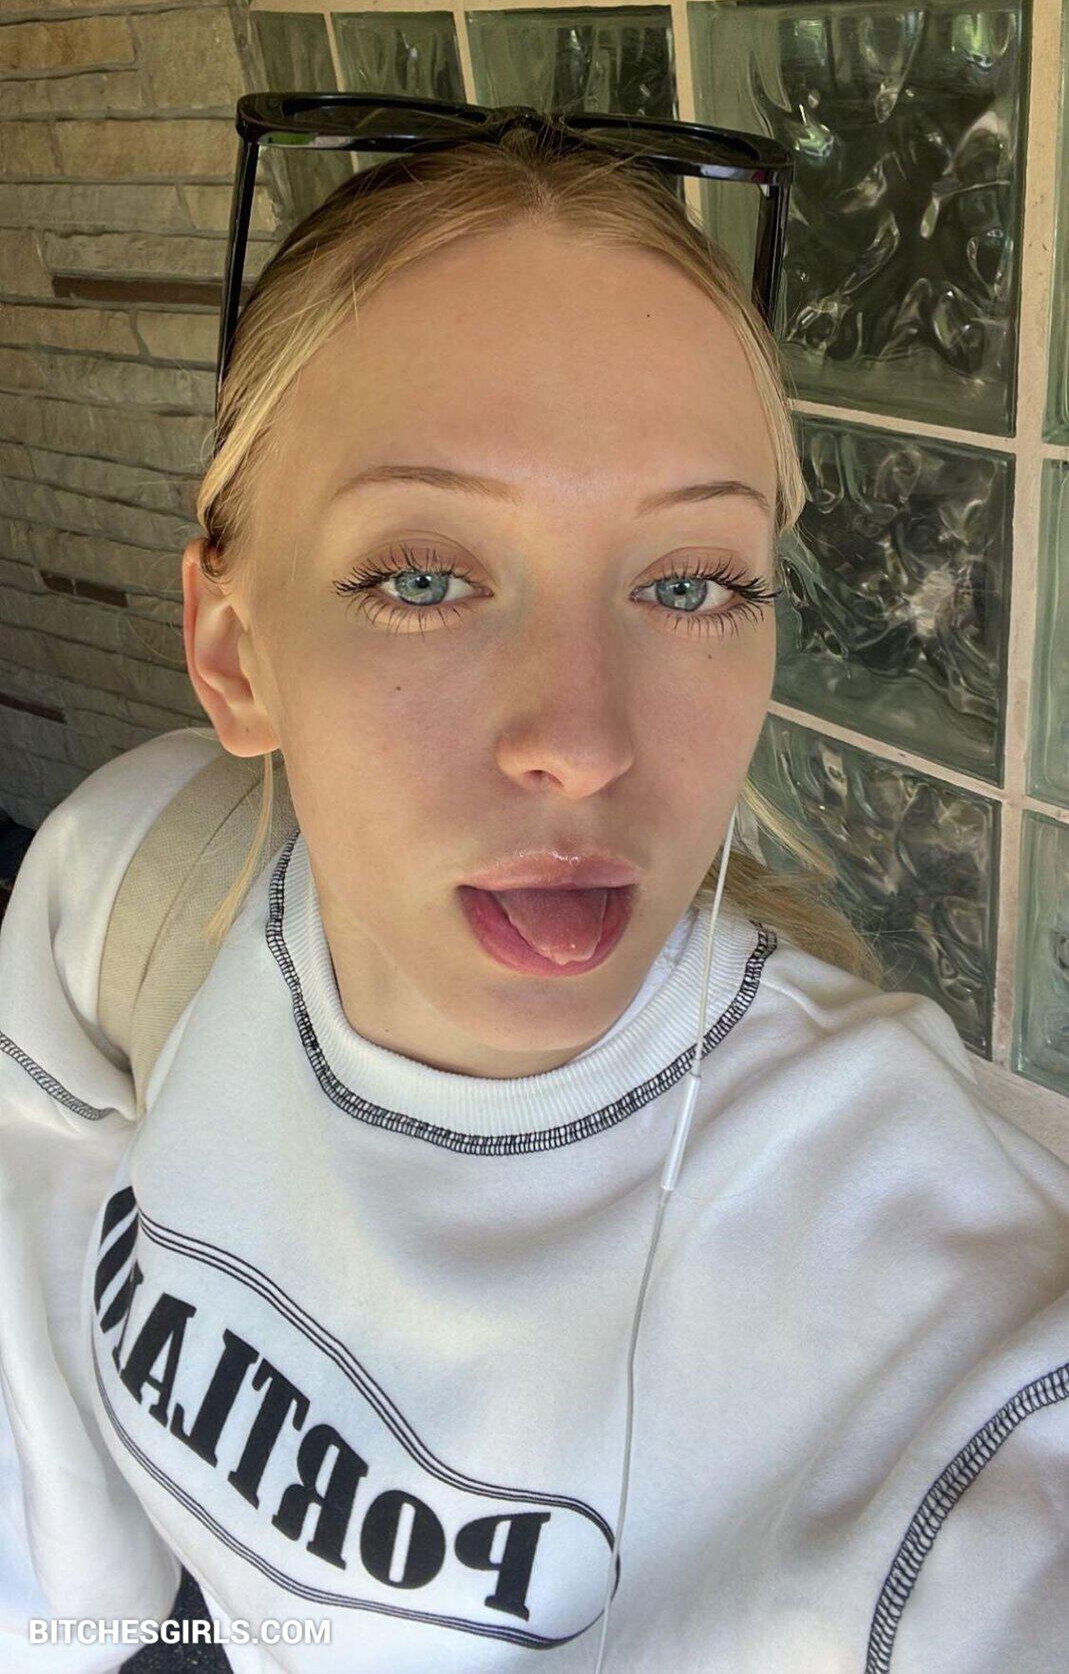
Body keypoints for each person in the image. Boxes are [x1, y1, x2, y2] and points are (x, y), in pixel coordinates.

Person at [1, 122, 1067, 1674]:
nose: (582, 742)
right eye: (423, 578)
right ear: (232, 653)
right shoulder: (136, 884)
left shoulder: (941, 1309)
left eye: (689, 584)